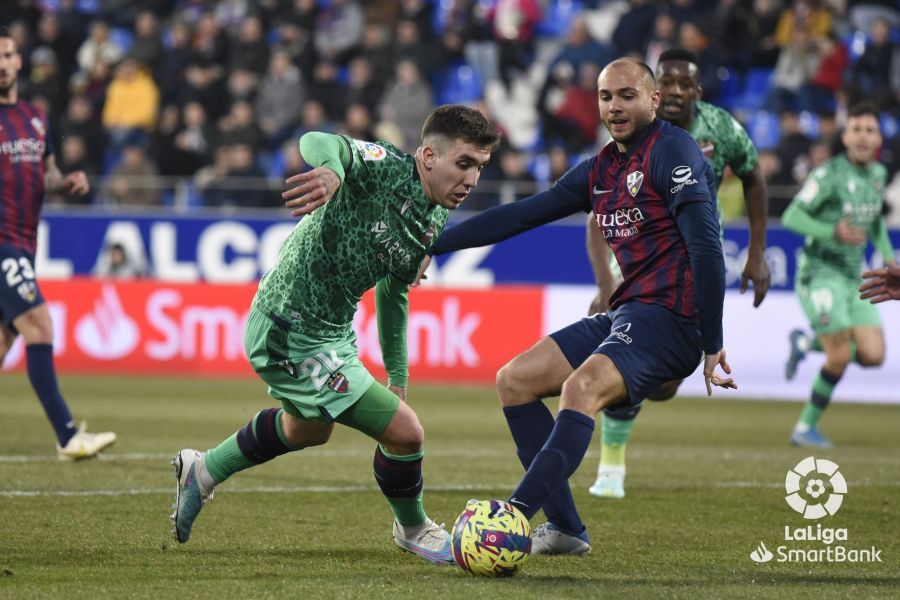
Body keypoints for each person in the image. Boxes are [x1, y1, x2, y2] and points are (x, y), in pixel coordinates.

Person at [420, 58, 735, 555]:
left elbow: (707, 250)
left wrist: (712, 341)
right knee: (515, 381)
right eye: (606, 96)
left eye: (627, 95)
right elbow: (522, 215)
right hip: (630, 313)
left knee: (580, 388)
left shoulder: (674, 151)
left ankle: (509, 521)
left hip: (675, 320)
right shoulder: (602, 169)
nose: (615, 106)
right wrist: (432, 244)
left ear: (653, 100)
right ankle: (566, 529)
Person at [170, 104, 500, 564]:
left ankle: (203, 471)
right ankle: (414, 527)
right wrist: (329, 170)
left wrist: (398, 375)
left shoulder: (434, 217)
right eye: (464, 164)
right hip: (289, 323)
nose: (472, 180)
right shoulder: (385, 167)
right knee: (407, 433)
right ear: (427, 156)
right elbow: (317, 141)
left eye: (480, 168)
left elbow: (393, 292)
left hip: (331, 329)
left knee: (308, 429)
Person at [586, 48, 771, 500]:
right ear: (653, 89)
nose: (673, 92)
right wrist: (606, 283)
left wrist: (757, 253)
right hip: (636, 259)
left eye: (684, 84)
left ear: (697, 91)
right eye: (665, 82)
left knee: (664, 384)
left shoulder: (721, 128)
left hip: (693, 259)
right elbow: (596, 211)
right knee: (623, 355)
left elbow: (754, 177)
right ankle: (611, 464)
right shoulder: (629, 132)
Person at [0, 27, 116, 460]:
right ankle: (68, 436)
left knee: (4, 342)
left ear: (17, 61)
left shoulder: (35, 116)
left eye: (8, 54)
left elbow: (45, 175)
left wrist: (67, 182)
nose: (2, 63)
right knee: (40, 325)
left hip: (23, 244)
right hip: (2, 244)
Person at [781, 102, 895, 448]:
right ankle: (804, 428)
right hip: (819, 273)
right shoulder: (828, 175)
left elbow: (874, 219)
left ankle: (804, 342)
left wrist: (888, 256)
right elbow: (791, 217)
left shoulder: (877, 176)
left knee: (874, 355)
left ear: (878, 138)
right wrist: (833, 231)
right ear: (845, 136)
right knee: (840, 355)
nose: (863, 136)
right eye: (856, 129)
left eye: (870, 130)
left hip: (853, 277)